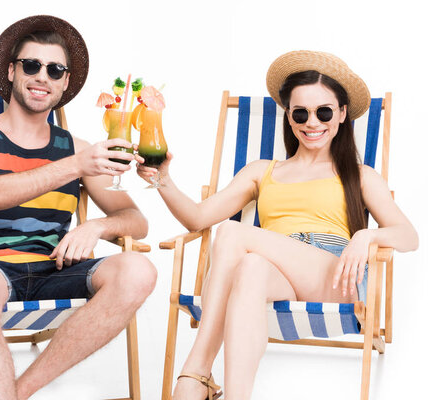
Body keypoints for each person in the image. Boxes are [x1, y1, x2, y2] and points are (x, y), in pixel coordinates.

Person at [136, 50, 418, 400]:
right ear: (289, 115)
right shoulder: (262, 171)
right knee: (251, 266)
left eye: (324, 111)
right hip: (275, 274)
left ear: (342, 114)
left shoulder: (360, 176)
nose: (312, 122)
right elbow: (197, 218)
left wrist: (366, 234)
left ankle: (195, 372)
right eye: (301, 112)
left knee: (233, 232)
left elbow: (409, 236)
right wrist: (162, 179)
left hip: (334, 275)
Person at [0, 15, 156, 400]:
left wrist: (95, 229)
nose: (43, 77)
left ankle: (16, 394)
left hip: (52, 267)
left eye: (55, 69)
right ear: (11, 70)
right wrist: (76, 165)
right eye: (31, 65)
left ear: (65, 82)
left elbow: (136, 221)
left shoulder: (76, 147)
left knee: (139, 269)